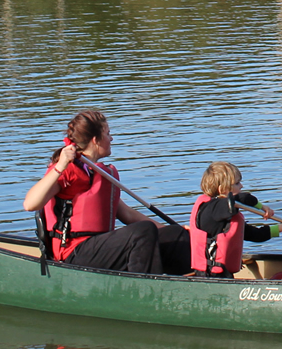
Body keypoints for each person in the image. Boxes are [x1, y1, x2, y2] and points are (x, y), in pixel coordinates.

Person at [22, 110, 190, 274]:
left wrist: (169, 229)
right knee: (142, 232)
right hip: (75, 253)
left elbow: (128, 215)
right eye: (108, 134)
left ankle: (194, 280)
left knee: (176, 234)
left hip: (101, 250)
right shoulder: (67, 169)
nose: (111, 138)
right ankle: (146, 291)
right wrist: (61, 166)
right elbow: (30, 204)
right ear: (96, 140)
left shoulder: (101, 174)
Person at [188, 161, 282, 278]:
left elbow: (257, 235)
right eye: (237, 183)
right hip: (209, 276)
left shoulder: (226, 216)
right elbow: (244, 198)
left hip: (223, 274)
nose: (241, 186)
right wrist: (261, 207)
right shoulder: (213, 208)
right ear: (223, 189)